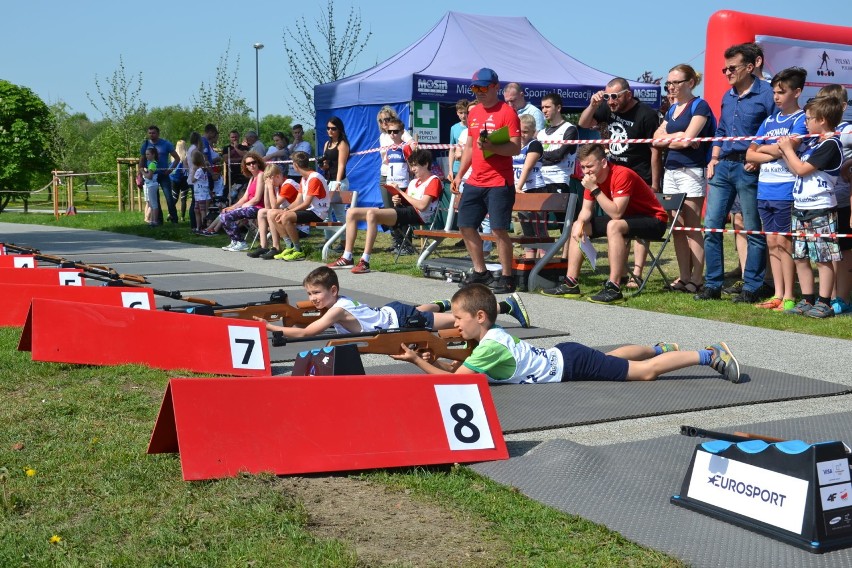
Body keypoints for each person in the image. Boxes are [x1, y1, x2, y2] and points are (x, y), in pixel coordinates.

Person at [391, 283, 740, 385]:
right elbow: (468, 364)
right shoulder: (490, 338)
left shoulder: (489, 346)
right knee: (612, 358)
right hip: (567, 358)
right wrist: (439, 357)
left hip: (570, 363)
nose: (455, 324)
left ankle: (709, 354)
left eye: (458, 318)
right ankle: (657, 347)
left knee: (644, 374)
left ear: (480, 316)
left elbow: (456, 381)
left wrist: (416, 361)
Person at [694, 43, 776, 303]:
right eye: (724, 68)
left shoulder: (767, 93)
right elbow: (721, 131)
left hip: (749, 167)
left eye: (732, 68)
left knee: (752, 229)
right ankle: (712, 285)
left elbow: (774, 132)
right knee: (712, 227)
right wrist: (714, 157)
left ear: (750, 67)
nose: (727, 73)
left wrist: (760, 159)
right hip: (723, 166)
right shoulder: (727, 96)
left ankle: (752, 286)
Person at [541, 144, 667, 304]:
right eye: (583, 167)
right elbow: (586, 210)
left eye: (590, 166)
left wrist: (594, 189)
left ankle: (614, 286)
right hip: (627, 219)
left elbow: (616, 213)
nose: (586, 171)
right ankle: (570, 283)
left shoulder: (622, 174)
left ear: (603, 162)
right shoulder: (591, 180)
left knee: (614, 225)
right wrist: (579, 224)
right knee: (579, 226)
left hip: (654, 220)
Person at [255, 267, 530, 338]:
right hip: (392, 311)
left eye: (317, 293)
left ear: (334, 290)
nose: (313, 299)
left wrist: (270, 328)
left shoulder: (337, 310)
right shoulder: (335, 303)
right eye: (309, 294)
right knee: (426, 309)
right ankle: (441, 301)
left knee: (459, 321)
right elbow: (307, 321)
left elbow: (306, 332)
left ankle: (506, 307)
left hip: (400, 319)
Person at [578, 77, 663, 284]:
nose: (611, 101)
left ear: (628, 94)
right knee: (619, 222)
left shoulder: (646, 114)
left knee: (637, 222)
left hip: (639, 174)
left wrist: (654, 181)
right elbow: (583, 123)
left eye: (614, 96)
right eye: (607, 96)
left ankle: (638, 272)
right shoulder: (607, 108)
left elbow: (655, 150)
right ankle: (622, 273)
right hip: (614, 173)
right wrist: (593, 104)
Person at [453, 68, 522, 294]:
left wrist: (493, 147)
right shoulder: (474, 114)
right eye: (475, 88)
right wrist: (460, 174)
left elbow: (515, 147)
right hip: (475, 180)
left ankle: (507, 276)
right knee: (465, 224)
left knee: (499, 229)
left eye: (483, 87)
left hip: (499, 182)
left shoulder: (507, 113)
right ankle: (480, 271)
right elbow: (470, 148)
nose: (479, 92)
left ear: (495, 87)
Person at [744, 67, 808, 312]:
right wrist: (775, 149)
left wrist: (767, 150)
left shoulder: (801, 119)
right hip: (765, 189)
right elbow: (750, 152)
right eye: (774, 92)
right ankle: (777, 293)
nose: (776, 97)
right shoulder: (769, 120)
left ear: (797, 92)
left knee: (784, 243)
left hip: (786, 190)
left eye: (782, 92)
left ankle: (790, 295)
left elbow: (788, 148)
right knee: (771, 242)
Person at [777, 96, 845, 318]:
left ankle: (824, 301)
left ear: (822, 120)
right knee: (800, 255)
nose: (805, 123)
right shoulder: (814, 143)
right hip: (801, 207)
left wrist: (787, 150)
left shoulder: (831, 144)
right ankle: (807, 298)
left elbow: (802, 170)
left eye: (808, 119)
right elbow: (795, 167)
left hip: (820, 208)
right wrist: (785, 151)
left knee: (823, 257)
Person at [652, 64, 716, 294]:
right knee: (677, 227)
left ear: (690, 83)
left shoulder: (700, 106)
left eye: (676, 82)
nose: (671, 87)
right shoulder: (672, 110)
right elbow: (655, 139)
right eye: (669, 83)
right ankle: (684, 275)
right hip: (672, 170)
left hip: (692, 171)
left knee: (691, 226)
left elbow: (688, 140)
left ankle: (697, 278)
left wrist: (676, 138)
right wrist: (676, 137)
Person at [327, 149, 440, 274]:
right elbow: (408, 201)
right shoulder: (414, 182)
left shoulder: (433, 181)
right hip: (406, 211)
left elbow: (422, 205)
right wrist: (398, 199)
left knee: (372, 214)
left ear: (425, 164)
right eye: (411, 166)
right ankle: (347, 256)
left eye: (415, 166)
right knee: (352, 212)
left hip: (419, 215)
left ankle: (365, 260)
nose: (412, 169)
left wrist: (402, 193)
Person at [816, 85, 852, 316]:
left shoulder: (848, 130)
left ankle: (843, 297)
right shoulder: (814, 130)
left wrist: (848, 165)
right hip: (822, 201)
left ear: (843, 107)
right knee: (828, 250)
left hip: (843, 199)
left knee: (845, 248)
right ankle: (826, 295)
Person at [270, 151, 330, 261]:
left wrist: (286, 212)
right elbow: (298, 200)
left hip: (318, 213)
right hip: (312, 210)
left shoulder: (314, 178)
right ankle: (290, 247)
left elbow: (306, 203)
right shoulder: (304, 178)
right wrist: (286, 209)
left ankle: (298, 251)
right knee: (273, 214)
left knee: (285, 217)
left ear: (296, 165)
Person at [247, 164, 301, 259]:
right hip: (286, 213)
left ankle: (276, 247)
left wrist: (270, 188)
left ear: (278, 176)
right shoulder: (278, 186)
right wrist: (267, 188)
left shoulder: (288, 184)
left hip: (296, 214)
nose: (271, 183)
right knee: (261, 212)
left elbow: (274, 206)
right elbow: (268, 206)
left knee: (271, 212)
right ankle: (263, 246)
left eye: (271, 180)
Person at [513, 114, 547, 258]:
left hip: (535, 189)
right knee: (526, 230)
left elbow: (527, 167)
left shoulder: (534, 144)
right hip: (519, 190)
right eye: (519, 131)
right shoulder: (514, 146)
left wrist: (518, 187)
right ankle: (529, 266)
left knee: (539, 228)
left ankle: (544, 263)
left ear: (533, 132)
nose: (522, 134)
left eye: (526, 131)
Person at [219, 152, 266, 252]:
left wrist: (242, 207)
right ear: (246, 166)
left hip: (258, 208)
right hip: (249, 206)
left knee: (227, 216)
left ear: (258, 163)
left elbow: (257, 198)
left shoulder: (261, 175)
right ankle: (235, 240)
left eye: (253, 162)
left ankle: (241, 242)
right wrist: (233, 207)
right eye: (248, 164)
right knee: (223, 214)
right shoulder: (252, 178)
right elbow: (244, 197)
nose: (252, 165)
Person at [139, 125, 181, 224]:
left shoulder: (165, 144)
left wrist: (170, 170)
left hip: (163, 174)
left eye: (153, 133)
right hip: (151, 175)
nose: (151, 135)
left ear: (158, 133)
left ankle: (174, 219)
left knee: (169, 197)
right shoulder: (145, 144)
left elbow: (177, 158)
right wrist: (140, 172)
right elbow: (142, 159)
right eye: (149, 133)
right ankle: (159, 220)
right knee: (155, 199)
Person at [322, 116, 351, 243]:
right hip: (328, 180)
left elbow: (341, 165)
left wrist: (338, 182)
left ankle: (344, 242)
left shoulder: (342, 144)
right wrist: (324, 165)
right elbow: (327, 163)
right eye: (328, 128)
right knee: (325, 212)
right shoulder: (327, 144)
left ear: (339, 129)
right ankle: (328, 241)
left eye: (333, 128)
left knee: (339, 213)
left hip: (339, 181)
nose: (330, 131)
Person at [189, 150, 211, 232]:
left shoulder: (199, 170)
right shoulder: (203, 169)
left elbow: (193, 180)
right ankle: (198, 226)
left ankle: (203, 227)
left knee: (202, 210)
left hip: (201, 193)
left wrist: (193, 171)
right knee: (196, 210)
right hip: (198, 193)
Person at [225, 130, 249, 204]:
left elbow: (245, 156)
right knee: (230, 192)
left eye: (236, 137)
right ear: (229, 138)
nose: (234, 138)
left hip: (243, 174)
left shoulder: (244, 147)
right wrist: (239, 158)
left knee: (243, 191)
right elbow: (226, 159)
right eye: (232, 137)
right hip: (231, 174)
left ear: (238, 137)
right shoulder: (226, 148)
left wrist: (236, 148)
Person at [169, 140, 190, 222]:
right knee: (183, 198)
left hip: (174, 179)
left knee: (174, 197)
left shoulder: (172, 156)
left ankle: (170, 213)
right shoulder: (186, 156)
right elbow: (187, 169)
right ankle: (182, 217)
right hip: (184, 179)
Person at [142, 147, 161, 227]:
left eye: (148, 154)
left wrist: (142, 172)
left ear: (153, 155)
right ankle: (152, 220)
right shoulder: (151, 163)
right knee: (152, 204)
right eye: (146, 154)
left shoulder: (152, 164)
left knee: (153, 204)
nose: (147, 156)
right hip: (151, 185)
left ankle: (155, 221)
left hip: (152, 185)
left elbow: (149, 176)